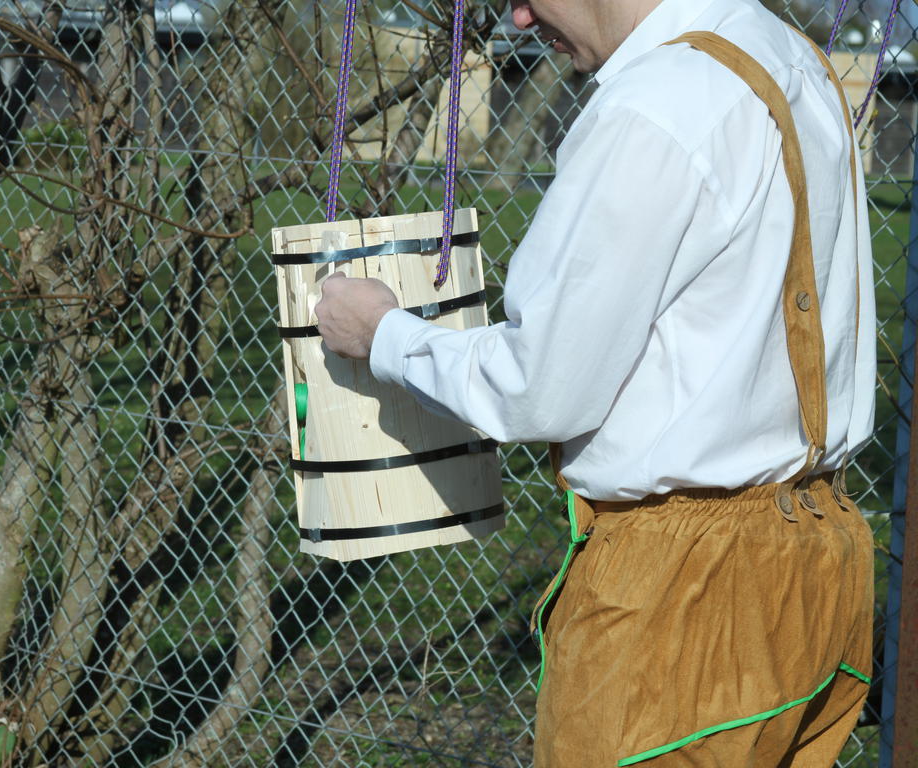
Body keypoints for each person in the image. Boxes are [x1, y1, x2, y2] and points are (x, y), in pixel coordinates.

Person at [312, 0, 877, 764]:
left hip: (683, 599)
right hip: (819, 562)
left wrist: (384, 335)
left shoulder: (660, 102)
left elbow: (539, 386)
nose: (515, 18)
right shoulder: (786, 55)